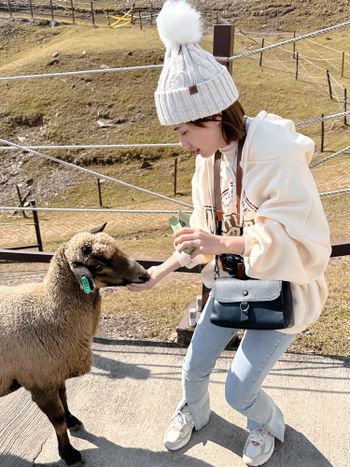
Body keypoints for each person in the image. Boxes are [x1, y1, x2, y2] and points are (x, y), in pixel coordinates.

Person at [127, 1, 331, 465]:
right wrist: (160, 271)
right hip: (228, 287)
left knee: (240, 391)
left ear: (213, 115)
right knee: (192, 370)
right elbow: (204, 232)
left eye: (184, 130)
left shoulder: (277, 152)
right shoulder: (209, 159)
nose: (182, 144)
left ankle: (266, 425)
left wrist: (224, 244)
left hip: (282, 293)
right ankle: (195, 414)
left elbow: (307, 244)